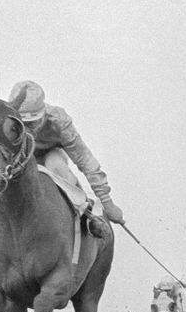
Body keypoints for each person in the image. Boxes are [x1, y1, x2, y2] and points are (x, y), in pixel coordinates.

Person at [8, 81, 124, 229]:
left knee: (54, 163)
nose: (29, 129)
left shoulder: (58, 121)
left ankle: (83, 215)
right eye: (25, 124)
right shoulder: (7, 122)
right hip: (23, 160)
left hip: (51, 156)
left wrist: (107, 202)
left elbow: (85, 160)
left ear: (43, 114)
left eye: (34, 122)